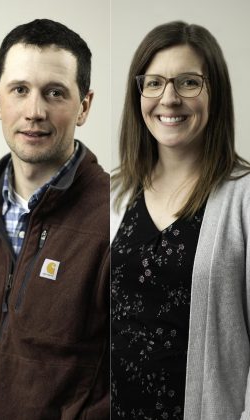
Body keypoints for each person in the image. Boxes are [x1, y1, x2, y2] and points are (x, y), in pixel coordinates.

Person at [0, 19, 109, 419]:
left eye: (55, 93)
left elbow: (137, 374)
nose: (34, 111)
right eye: (20, 90)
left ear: (84, 106)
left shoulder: (117, 216)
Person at [111, 21, 250, 420]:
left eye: (188, 82)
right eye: (153, 83)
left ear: (215, 93)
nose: (168, 98)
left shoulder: (242, 198)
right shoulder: (115, 195)